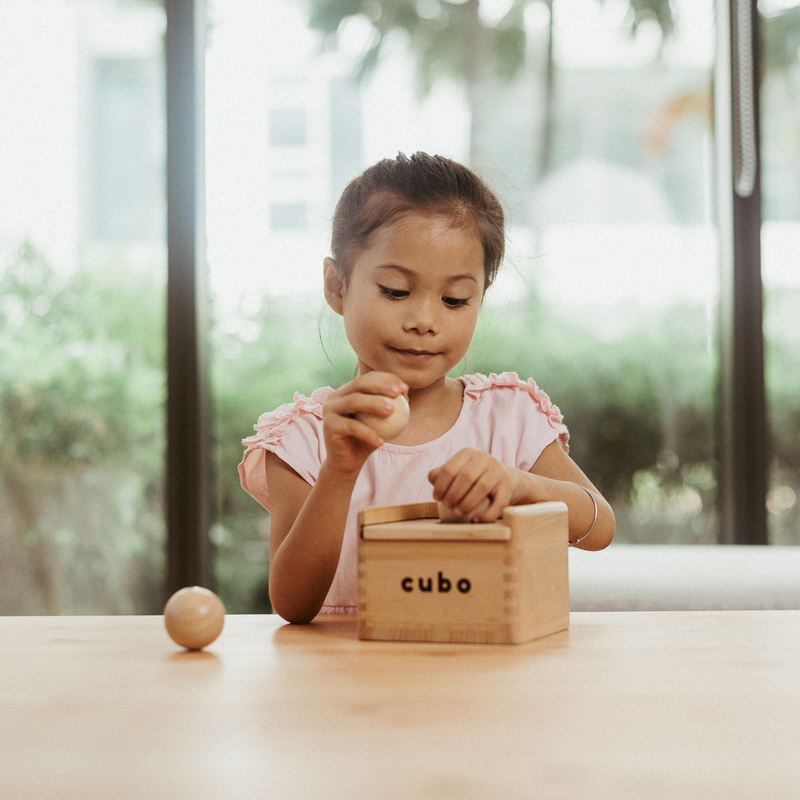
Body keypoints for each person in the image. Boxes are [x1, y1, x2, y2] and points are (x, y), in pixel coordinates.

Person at [239, 152, 614, 624]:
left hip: (480, 674)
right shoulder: (304, 440)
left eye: (455, 299)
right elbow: (293, 605)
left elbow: (599, 526)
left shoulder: (507, 418)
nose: (424, 321)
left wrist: (521, 484)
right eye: (396, 291)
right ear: (337, 287)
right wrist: (339, 470)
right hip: (345, 683)